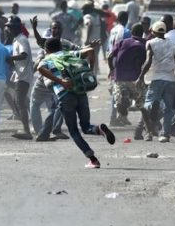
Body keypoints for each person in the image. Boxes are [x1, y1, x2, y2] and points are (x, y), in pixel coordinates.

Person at [37, 38, 115, 168]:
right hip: (81, 92)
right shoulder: (69, 54)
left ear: (47, 50)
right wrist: (91, 70)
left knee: (74, 131)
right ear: (60, 46)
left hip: (65, 95)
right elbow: (90, 51)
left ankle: (93, 159)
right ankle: (99, 129)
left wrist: (60, 81)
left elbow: (40, 67)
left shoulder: (48, 59)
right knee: (86, 126)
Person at [136, 21, 175, 143]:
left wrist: (140, 77)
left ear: (153, 32)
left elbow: (148, 61)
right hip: (170, 79)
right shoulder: (173, 44)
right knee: (168, 108)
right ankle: (165, 134)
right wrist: (174, 76)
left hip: (155, 78)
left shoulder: (150, 43)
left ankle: (148, 133)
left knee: (147, 105)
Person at [108, 23, 146, 126]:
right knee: (143, 103)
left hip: (119, 77)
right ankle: (144, 127)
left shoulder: (121, 43)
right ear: (142, 33)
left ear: (131, 33)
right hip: (135, 78)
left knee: (117, 94)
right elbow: (145, 62)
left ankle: (122, 103)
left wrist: (112, 70)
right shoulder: (144, 44)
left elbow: (110, 56)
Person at [8, 17, 34, 140]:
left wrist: (10, 58)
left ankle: (27, 130)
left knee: (19, 102)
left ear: (16, 28)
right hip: (19, 74)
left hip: (23, 76)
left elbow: (24, 55)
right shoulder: (17, 40)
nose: (8, 29)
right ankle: (29, 125)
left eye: (10, 27)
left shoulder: (22, 40)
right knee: (17, 101)